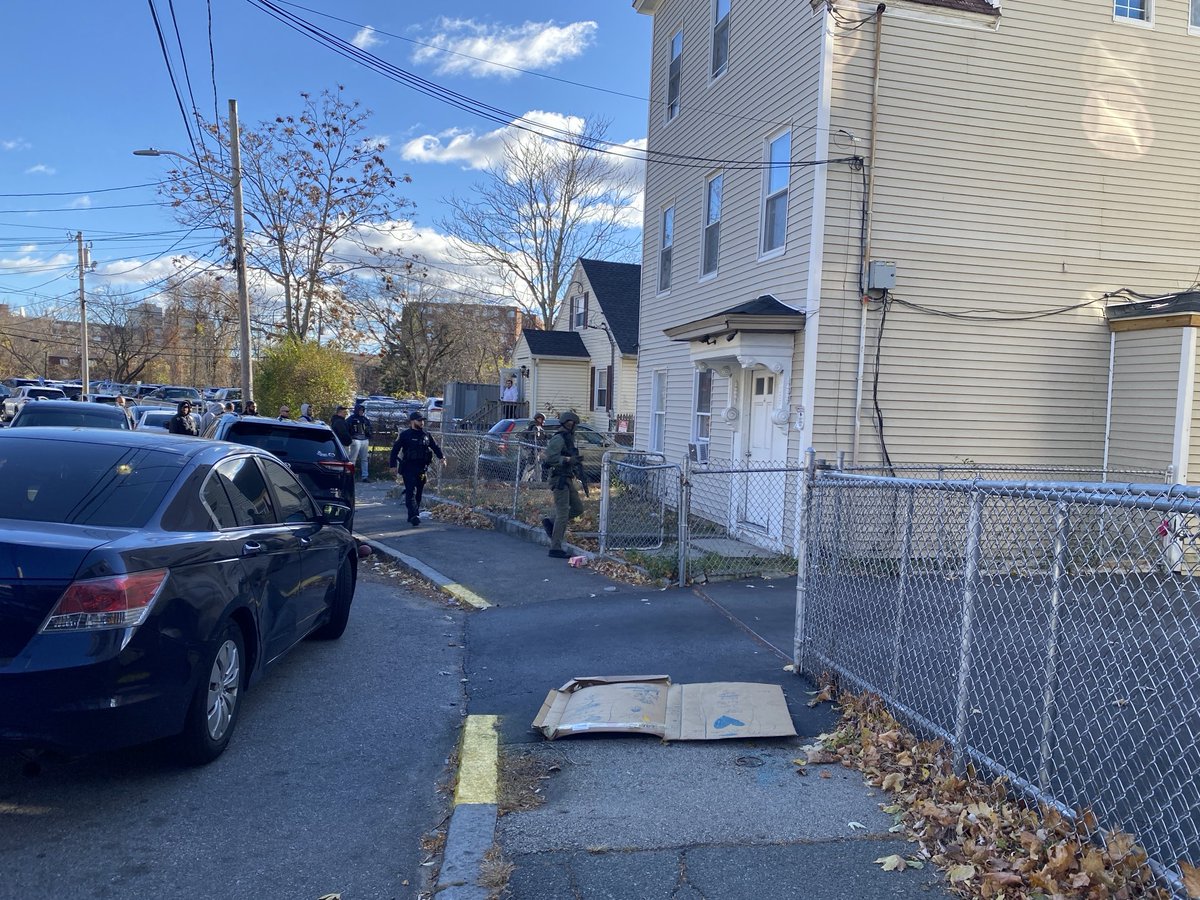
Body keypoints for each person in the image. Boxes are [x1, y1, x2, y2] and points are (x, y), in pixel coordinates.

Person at [541, 410, 585, 559]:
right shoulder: (559, 438)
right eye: (574, 425)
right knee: (563, 513)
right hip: (558, 479)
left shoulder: (568, 438)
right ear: (569, 424)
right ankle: (555, 548)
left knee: (578, 508)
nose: (575, 428)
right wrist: (567, 460)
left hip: (567, 477)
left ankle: (550, 523)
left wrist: (575, 462)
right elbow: (550, 458)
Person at [388, 410, 445, 526]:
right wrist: (392, 465)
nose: (422, 423)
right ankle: (414, 514)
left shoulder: (426, 435)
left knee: (419, 492)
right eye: (419, 421)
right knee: (410, 491)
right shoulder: (405, 435)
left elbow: (435, 447)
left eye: (423, 421)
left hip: (422, 468)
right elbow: (395, 450)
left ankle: (413, 514)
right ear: (412, 421)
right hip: (408, 467)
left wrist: (442, 457)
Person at [347, 402, 373, 482]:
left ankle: (365, 476)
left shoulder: (365, 419)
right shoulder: (351, 419)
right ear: (356, 410)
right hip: (355, 440)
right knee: (352, 459)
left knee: (364, 459)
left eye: (362, 410)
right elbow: (347, 428)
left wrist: (369, 433)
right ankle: (350, 476)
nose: (361, 412)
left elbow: (370, 428)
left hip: (364, 440)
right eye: (360, 410)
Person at [520, 413, 549, 482]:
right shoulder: (536, 427)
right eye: (541, 419)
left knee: (538, 469)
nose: (542, 421)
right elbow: (535, 437)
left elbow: (543, 438)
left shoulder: (537, 427)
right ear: (538, 419)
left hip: (536, 451)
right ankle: (523, 483)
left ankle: (537, 483)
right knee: (530, 468)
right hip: (533, 451)